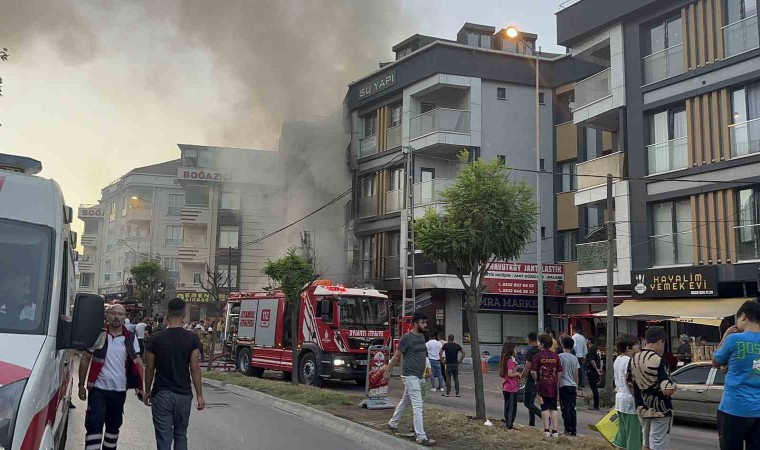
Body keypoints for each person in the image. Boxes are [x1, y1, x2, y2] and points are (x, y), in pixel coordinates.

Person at [143, 297, 206, 450]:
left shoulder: (154, 339)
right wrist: (199, 394)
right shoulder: (192, 338)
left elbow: (150, 368)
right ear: (184, 315)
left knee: (164, 437)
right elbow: (195, 367)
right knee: (180, 434)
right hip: (184, 394)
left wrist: (147, 390)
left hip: (162, 394)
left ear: (167, 314)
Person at [78, 304, 143, 450]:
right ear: (107, 315)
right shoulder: (99, 335)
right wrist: (81, 384)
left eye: (120, 314)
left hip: (119, 391)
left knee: (113, 428)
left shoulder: (130, 338)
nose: (117, 317)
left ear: (125, 317)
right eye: (113, 313)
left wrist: (140, 387)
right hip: (98, 389)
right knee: (94, 425)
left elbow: (138, 362)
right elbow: (86, 357)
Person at [712, 300, 760, 450]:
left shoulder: (734, 339)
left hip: (733, 409)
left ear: (743, 316)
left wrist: (726, 335)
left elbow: (715, 361)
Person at [384, 312, 435, 446]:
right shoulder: (406, 338)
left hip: (418, 376)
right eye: (422, 322)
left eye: (425, 322)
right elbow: (396, 356)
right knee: (418, 404)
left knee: (405, 401)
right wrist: (388, 371)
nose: (425, 325)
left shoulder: (422, 337)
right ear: (415, 323)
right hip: (409, 375)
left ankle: (392, 423)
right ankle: (421, 436)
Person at [630, 326, 677, 450]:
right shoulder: (659, 360)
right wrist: (674, 386)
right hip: (660, 410)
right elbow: (666, 389)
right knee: (658, 445)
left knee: (646, 445)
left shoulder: (634, 358)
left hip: (642, 408)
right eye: (663, 343)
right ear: (660, 341)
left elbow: (629, 383)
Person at [612, 334, 642, 450]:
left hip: (620, 399)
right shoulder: (630, 361)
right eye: (635, 344)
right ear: (628, 348)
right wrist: (638, 400)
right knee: (633, 435)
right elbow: (630, 383)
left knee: (623, 433)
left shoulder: (618, 359)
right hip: (630, 400)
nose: (638, 347)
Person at [531, 334, 562, 438]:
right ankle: (555, 431)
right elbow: (559, 371)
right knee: (553, 407)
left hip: (542, 384)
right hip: (553, 384)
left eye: (539, 342)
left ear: (542, 344)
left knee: (544, 407)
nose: (538, 344)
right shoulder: (555, 356)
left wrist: (537, 380)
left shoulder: (538, 356)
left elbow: (533, 372)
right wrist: (557, 382)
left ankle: (546, 430)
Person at [558, 336, 579, 436]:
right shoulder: (574, 358)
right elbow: (576, 373)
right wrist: (577, 386)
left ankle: (567, 430)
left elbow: (559, 372)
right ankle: (574, 430)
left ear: (562, 345)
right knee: (572, 408)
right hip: (573, 385)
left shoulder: (560, 357)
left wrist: (557, 384)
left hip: (563, 385)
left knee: (565, 409)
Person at [521, 331, 543, 427]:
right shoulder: (540, 351)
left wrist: (521, 377)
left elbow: (527, 366)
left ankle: (544, 416)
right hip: (539, 378)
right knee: (531, 402)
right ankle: (531, 423)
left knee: (527, 403)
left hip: (531, 379)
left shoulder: (531, 351)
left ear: (529, 339)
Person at [500, 342, 521, 431]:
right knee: (512, 408)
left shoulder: (505, 360)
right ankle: (510, 425)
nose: (515, 350)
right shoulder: (510, 361)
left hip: (506, 386)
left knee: (507, 406)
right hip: (512, 387)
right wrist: (518, 373)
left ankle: (508, 424)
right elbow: (510, 373)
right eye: (514, 349)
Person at [586, 336, 601, 410]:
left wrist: (596, 369)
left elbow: (592, 360)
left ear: (589, 341)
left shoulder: (591, 349)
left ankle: (596, 405)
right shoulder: (596, 349)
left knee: (593, 387)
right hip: (595, 370)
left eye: (587, 340)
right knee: (594, 387)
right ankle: (596, 404)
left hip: (592, 370)